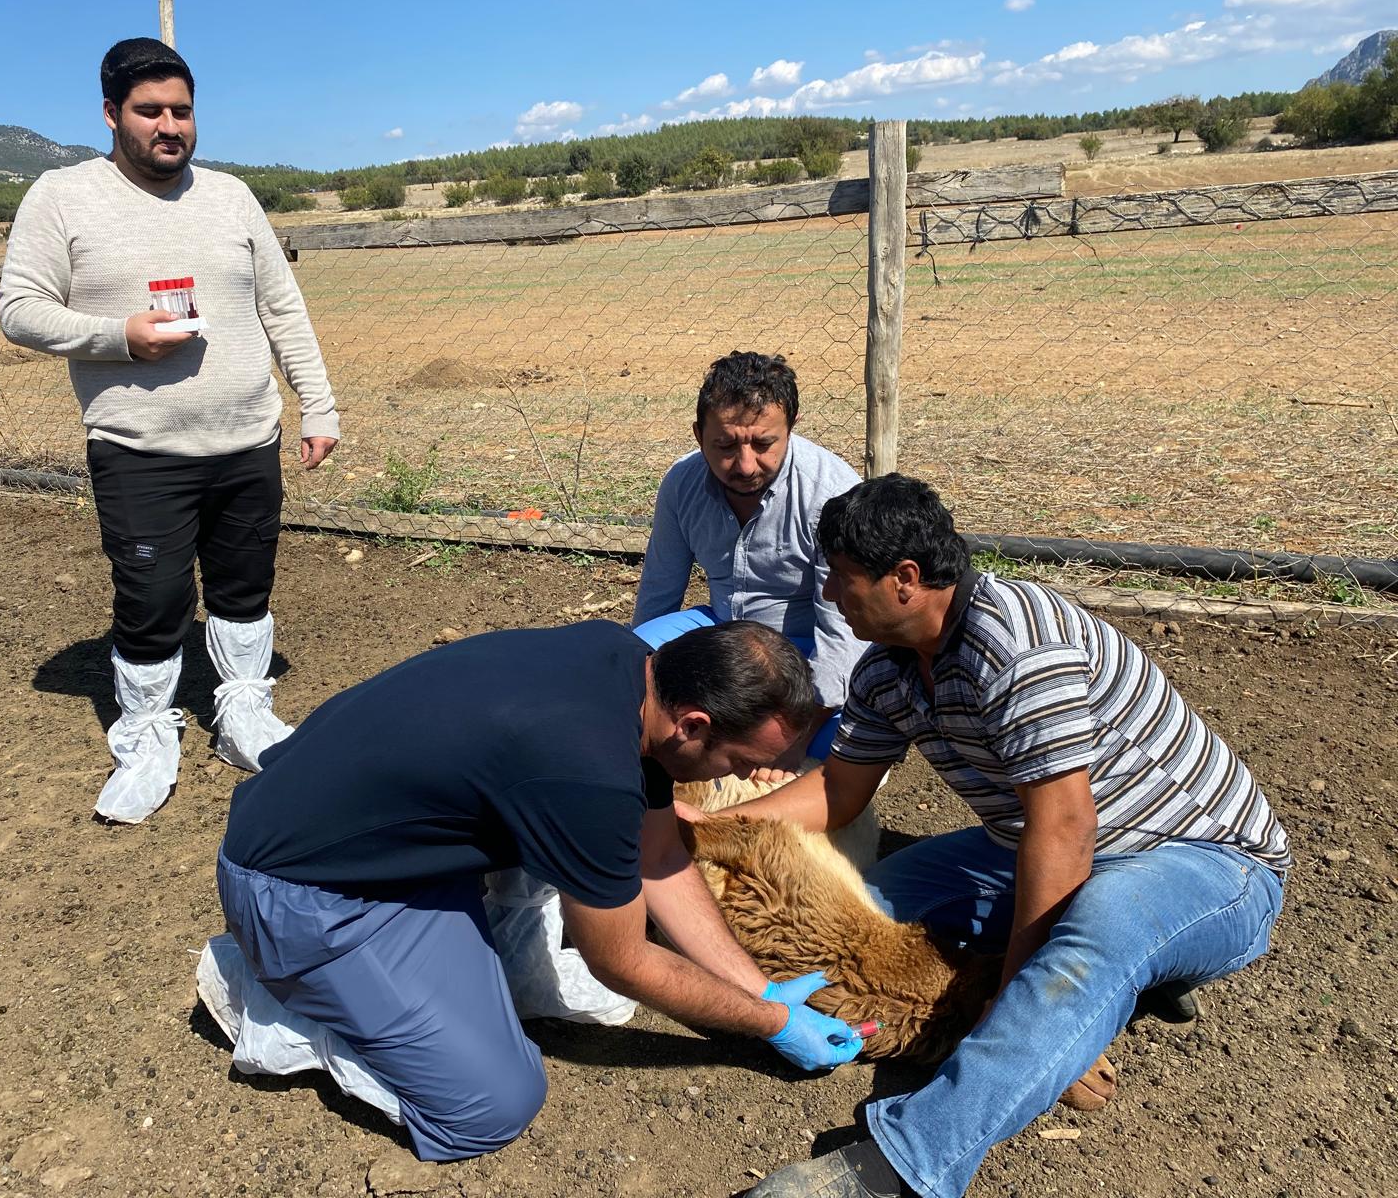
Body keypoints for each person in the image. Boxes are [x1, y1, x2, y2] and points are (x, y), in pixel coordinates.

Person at [706, 474, 1291, 1198]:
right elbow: (837, 789)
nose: (828, 595)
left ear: (906, 580)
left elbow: (1067, 831)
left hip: (1202, 861)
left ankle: (905, 1163)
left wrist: (1011, 994)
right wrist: (707, 829)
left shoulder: (1015, 643)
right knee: (860, 908)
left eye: (843, 579)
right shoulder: (888, 670)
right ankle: (1089, 1009)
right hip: (1027, 848)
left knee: (1097, 930)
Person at [215, 620, 866, 1161]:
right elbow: (623, 962)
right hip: (300, 890)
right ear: (693, 726)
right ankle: (283, 1014)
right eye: (745, 763)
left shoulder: (630, 664)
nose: (753, 778)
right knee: (491, 1107)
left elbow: (660, 855)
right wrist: (772, 1023)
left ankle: (405, 991)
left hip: (365, 838)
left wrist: (762, 988)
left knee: (569, 849)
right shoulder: (590, 772)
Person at [0, 38, 339, 824]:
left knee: (243, 589)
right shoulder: (61, 197)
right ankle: (147, 733)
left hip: (247, 437)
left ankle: (243, 712)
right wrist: (121, 335)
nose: (169, 126)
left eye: (181, 111)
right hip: (139, 449)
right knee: (151, 599)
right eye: (150, 111)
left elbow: (281, 306)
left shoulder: (230, 197)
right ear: (112, 114)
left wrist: (317, 404)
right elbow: (18, 308)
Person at [632, 350, 864, 763]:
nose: (744, 464)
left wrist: (794, 738)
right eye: (724, 445)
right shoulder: (682, 483)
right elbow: (659, 589)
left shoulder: (831, 493)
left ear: (791, 430)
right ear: (698, 434)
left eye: (763, 444)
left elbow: (840, 632)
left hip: (802, 643)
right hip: (723, 628)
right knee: (629, 668)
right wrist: (646, 684)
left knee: (845, 738)